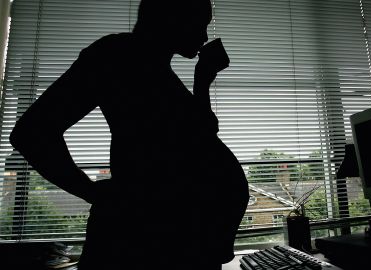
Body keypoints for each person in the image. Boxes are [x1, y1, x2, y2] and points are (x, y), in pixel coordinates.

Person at [9, 0, 249, 269]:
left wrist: (202, 80)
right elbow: (32, 132)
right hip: (142, 245)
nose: (205, 36)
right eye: (201, 23)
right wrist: (94, 193)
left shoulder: (160, 70)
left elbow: (201, 137)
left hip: (186, 244)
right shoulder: (118, 55)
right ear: (171, 16)